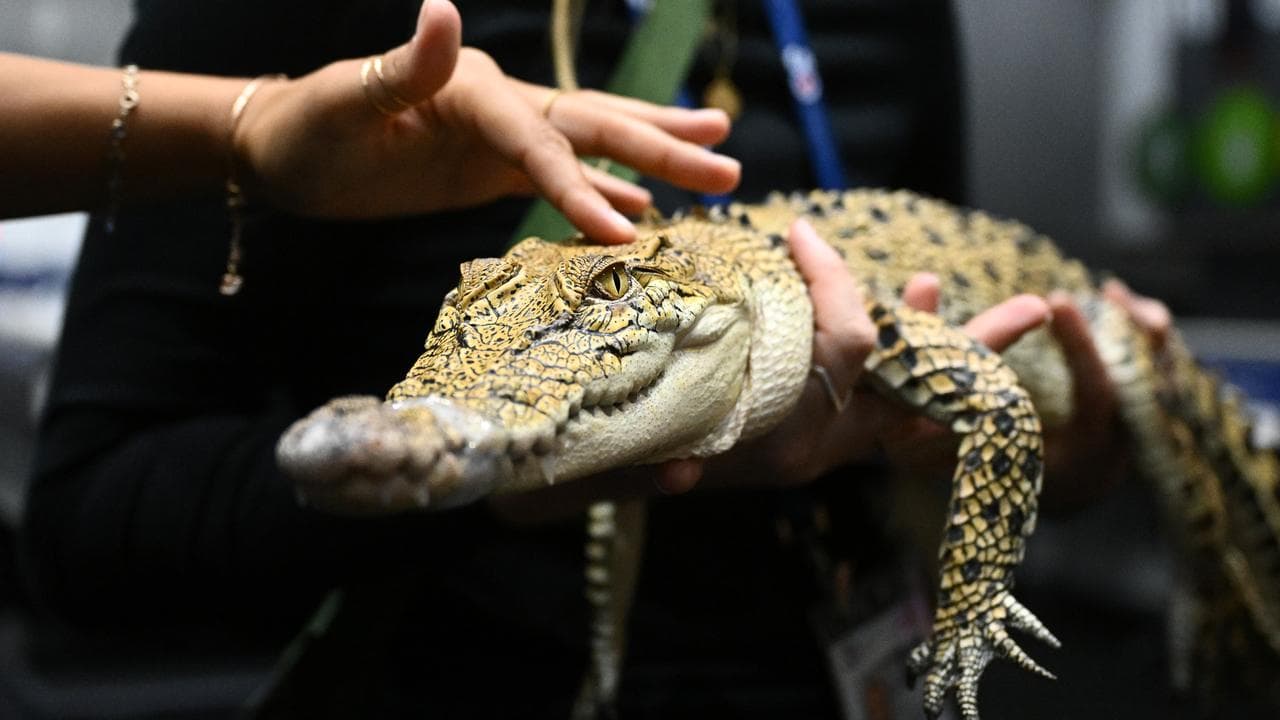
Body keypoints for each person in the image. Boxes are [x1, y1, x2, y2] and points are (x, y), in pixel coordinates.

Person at [16, 1, 1168, 717]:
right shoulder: (303, 32)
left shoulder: (885, 20)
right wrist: (499, 493)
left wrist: (1049, 455)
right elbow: (91, 526)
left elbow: (940, 404)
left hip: (843, 674)